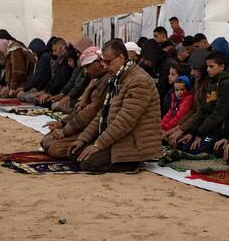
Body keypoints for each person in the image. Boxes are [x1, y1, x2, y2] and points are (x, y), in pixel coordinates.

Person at [68, 38, 162, 171]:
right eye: (103, 62)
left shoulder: (139, 81)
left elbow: (124, 122)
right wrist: (83, 139)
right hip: (118, 137)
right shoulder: (119, 78)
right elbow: (103, 113)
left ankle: (131, 162)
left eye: (108, 62)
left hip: (134, 142)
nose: (105, 66)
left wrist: (98, 145)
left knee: (88, 163)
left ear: (121, 57)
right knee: (74, 153)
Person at [41, 46, 110, 158]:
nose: (86, 72)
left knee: (55, 149)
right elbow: (80, 109)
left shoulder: (106, 80)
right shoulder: (96, 79)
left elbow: (90, 113)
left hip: (92, 128)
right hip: (83, 124)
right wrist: (62, 123)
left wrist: (65, 130)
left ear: (98, 63)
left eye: (88, 67)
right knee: (47, 140)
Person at [172, 52, 229, 154]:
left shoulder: (228, 84)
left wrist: (200, 133)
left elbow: (219, 114)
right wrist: (192, 131)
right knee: (181, 143)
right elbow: (203, 110)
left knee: (193, 149)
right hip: (209, 128)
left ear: (222, 67)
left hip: (220, 131)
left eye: (211, 66)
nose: (208, 69)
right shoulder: (211, 82)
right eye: (207, 66)